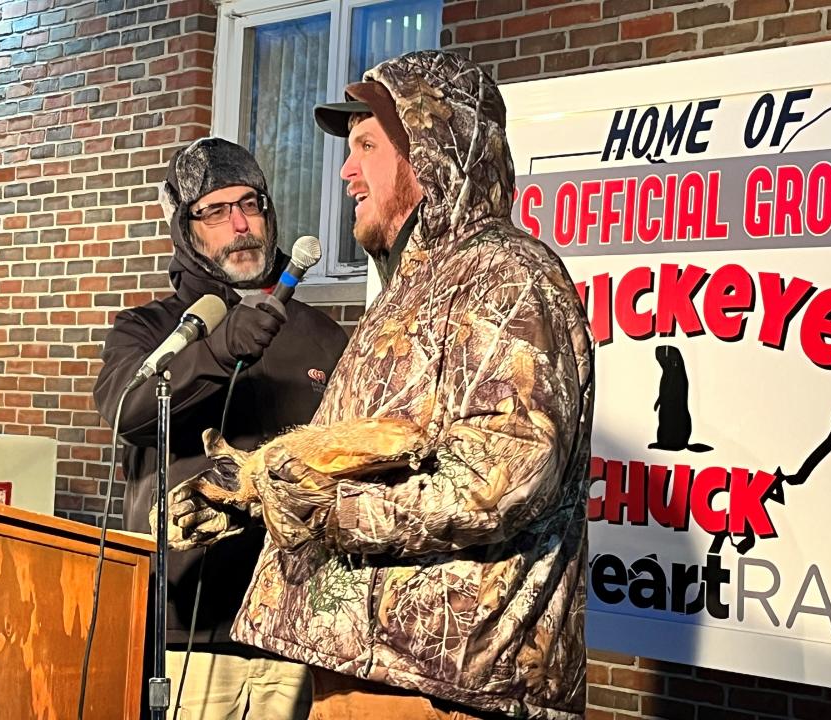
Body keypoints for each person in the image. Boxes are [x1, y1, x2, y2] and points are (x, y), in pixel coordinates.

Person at [169, 51, 594, 720]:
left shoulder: (508, 279)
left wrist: (323, 512)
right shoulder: (409, 292)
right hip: (365, 675)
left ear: (433, 151)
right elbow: (356, 455)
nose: (345, 169)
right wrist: (248, 492)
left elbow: (502, 476)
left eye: (366, 144)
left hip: (441, 688)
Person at [93, 136, 348, 720]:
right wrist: (216, 349)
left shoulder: (322, 335)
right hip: (189, 638)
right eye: (215, 211)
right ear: (186, 228)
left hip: (293, 629)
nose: (240, 224)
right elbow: (126, 412)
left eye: (250, 204)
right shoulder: (150, 328)